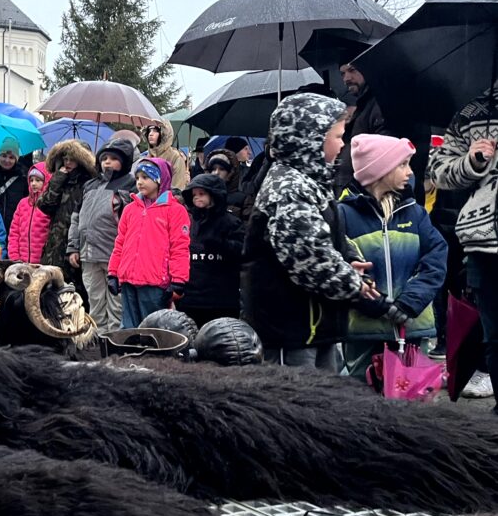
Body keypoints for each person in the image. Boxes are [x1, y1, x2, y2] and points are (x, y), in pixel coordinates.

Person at [242, 93, 381, 371]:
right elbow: (310, 260)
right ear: (311, 139)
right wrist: (355, 286)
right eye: (338, 136)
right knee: (292, 407)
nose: (343, 144)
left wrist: (346, 256)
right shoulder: (289, 188)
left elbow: (326, 237)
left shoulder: (310, 182)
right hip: (289, 331)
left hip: (313, 324)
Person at [338, 135, 447, 377]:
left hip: (412, 326)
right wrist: (372, 303)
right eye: (402, 164)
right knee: (363, 396)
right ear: (380, 170)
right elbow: (343, 266)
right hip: (365, 327)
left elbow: (435, 258)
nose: (410, 172)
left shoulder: (415, 214)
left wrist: (411, 300)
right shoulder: (343, 215)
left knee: (411, 397)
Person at [429, 90, 498, 407]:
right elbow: (437, 170)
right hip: (485, 243)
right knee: (494, 336)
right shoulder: (473, 112)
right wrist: (472, 161)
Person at [106, 158, 190, 330]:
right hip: (128, 279)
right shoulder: (130, 209)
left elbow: (180, 247)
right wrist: (113, 272)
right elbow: (120, 242)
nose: (139, 182)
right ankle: (129, 356)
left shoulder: (175, 210)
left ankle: (152, 357)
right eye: (137, 177)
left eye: (145, 177)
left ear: (160, 180)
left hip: (156, 283)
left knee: (153, 329)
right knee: (129, 328)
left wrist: (179, 280)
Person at [66, 137, 136, 333]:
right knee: (95, 301)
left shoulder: (131, 184)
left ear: (124, 161)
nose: (107, 162)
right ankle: (99, 340)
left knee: (117, 304)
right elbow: (76, 218)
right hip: (89, 253)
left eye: (113, 158)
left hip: (115, 255)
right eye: (104, 157)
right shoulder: (90, 185)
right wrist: (73, 246)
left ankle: (115, 340)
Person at [334, 60, 429, 202]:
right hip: (369, 199)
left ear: (369, 70)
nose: (346, 78)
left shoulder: (385, 104)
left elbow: (383, 160)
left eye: (352, 70)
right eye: (343, 73)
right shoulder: (367, 105)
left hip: (382, 201)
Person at [180, 173, 245, 327]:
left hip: (221, 298)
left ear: (214, 195)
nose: (197, 198)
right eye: (194, 195)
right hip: (192, 297)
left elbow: (243, 252)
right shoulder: (190, 222)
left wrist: (221, 245)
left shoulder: (231, 222)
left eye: (202, 194)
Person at [38, 140, 97, 305]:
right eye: (65, 159)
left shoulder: (88, 185)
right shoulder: (60, 179)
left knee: (74, 294)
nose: (67, 163)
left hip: (76, 246)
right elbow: (45, 205)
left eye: (72, 159)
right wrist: (57, 180)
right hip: (54, 244)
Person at [8, 162, 51, 265]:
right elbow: (14, 232)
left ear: (46, 181)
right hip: (21, 262)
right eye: (31, 180)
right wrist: (14, 257)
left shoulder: (50, 205)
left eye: (38, 180)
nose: (33, 183)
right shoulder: (22, 204)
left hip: (42, 263)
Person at [0, 137, 30, 232]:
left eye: (11, 157)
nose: (7, 160)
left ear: (16, 159)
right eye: (3, 156)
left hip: (14, 231)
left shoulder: (22, 180)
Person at [142, 120, 190, 191]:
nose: (151, 134)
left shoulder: (175, 157)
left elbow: (177, 188)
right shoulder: (146, 157)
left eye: (155, 130)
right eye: (149, 130)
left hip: (167, 200)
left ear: (164, 133)